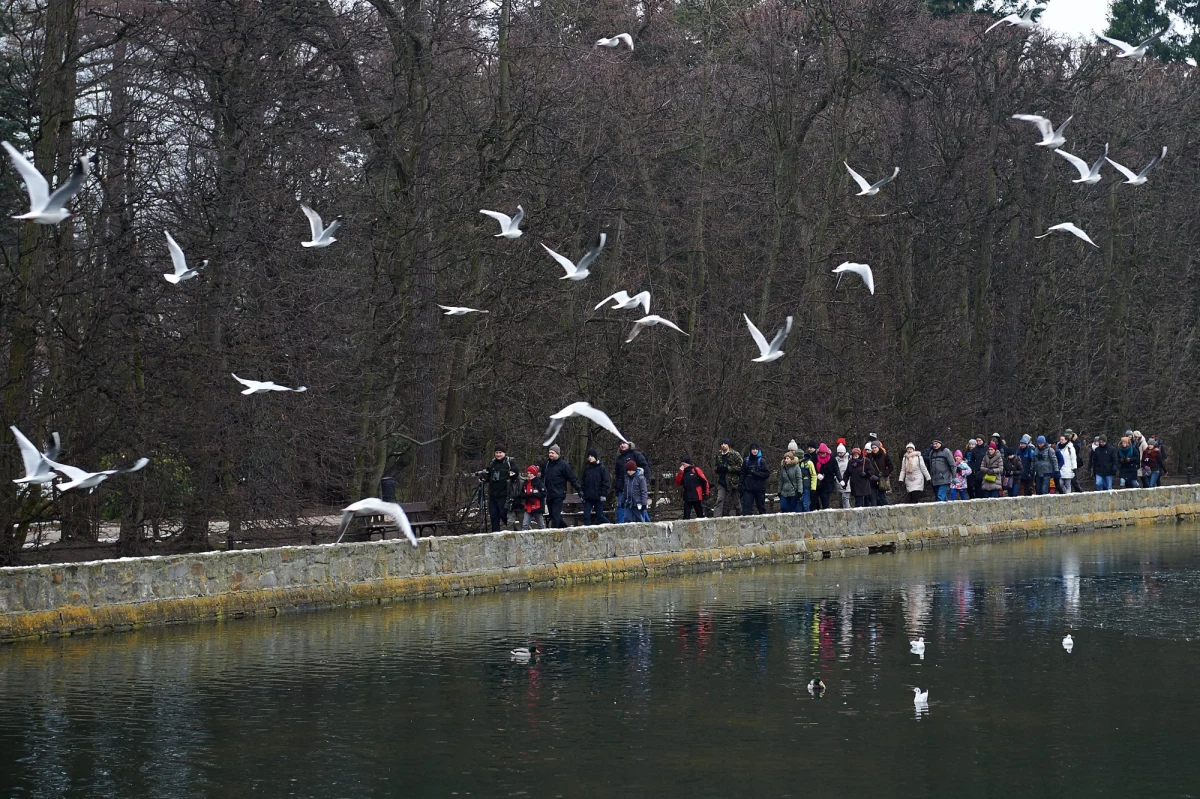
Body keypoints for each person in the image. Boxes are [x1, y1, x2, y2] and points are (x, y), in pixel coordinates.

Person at [543, 444, 581, 528]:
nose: (550, 454)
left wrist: (579, 490)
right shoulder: (547, 464)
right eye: (549, 452)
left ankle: (553, 534)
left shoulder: (563, 465)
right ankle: (566, 529)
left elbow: (572, 478)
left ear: (557, 454)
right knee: (553, 515)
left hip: (558, 494)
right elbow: (543, 476)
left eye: (552, 453)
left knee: (556, 516)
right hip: (549, 494)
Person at [483, 445, 518, 532]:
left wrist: (513, 475)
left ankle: (514, 533)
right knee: (494, 516)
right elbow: (488, 475)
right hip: (493, 495)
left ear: (504, 453)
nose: (498, 454)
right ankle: (495, 535)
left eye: (500, 453)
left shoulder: (509, 462)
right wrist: (483, 478)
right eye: (496, 453)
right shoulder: (492, 462)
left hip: (504, 495)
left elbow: (516, 475)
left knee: (504, 516)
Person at [614, 442, 649, 523]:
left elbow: (645, 467)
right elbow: (617, 474)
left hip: (636, 488)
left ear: (629, 444)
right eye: (620, 443)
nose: (622, 445)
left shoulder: (636, 455)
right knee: (622, 508)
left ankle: (647, 525)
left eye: (624, 443)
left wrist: (644, 481)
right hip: (623, 488)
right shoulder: (618, 458)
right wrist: (617, 487)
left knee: (640, 510)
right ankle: (621, 527)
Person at [712, 440, 742, 518]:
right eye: (721, 444)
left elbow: (741, 467)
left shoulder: (735, 454)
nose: (723, 445)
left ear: (728, 445)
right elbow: (715, 466)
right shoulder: (719, 454)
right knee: (719, 500)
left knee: (736, 501)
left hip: (733, 481)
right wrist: (718, 469)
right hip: (722, 481)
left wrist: (728, 468)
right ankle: (716, 518)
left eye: (725, 444)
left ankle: (740, 516)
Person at [580, 449, 611, 525]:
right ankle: (587, 531)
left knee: (600, 515)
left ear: (595, 457)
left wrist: (603, 494)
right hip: (588, 497)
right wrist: (582, 494)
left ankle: (610, 527)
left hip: (598, 497)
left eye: (592, 456)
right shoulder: (586, 469)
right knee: (586, 516)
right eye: (589, 456)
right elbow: (583, 482)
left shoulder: (601, 468)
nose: (590, 458)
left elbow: (606, 482)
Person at [741, 444, 770, 515]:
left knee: (761, 508)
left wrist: (757, 474)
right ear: (750, 450)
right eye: (753, 449)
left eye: (756, 449)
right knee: (746, 509)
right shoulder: (746, 461)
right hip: (748, 489)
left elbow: (767, 474)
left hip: (759, 489)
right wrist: (740, 485)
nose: (755, 451)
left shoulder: (762, 461)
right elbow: (742, 473)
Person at [516, 465, 546, 529]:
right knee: (525, 525)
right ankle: (524, 537)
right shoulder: (525, 483)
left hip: (537, 507)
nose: (529, 475)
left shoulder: (539, 483)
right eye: (528, 473)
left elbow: (543, 494)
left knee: (541, 525)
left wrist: (534, 494)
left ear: (534, 474)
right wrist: (526, 495)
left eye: (531, 473)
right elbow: (521, 494)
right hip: (528, 506)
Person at [868, 441, 894, 507]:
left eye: (875, 447)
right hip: (873, 480)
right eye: (872, 448)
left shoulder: (884, 455)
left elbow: (891, 466)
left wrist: (885, 474)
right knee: (873, 499)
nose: (874, 449)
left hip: (882, 480)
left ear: (878, 447)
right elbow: (867, 468)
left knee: (883, 498)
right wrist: (871, 475)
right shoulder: (869, 457)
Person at [813, 443, 837, 510]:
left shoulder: (832, 459)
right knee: (815, 500)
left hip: (828, 483)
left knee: (825, 500)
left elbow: (836, 470)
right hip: (817, 483)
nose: (822, 455)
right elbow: (812, 469)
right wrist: (817, 474)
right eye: (821, 453)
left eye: (823, 453)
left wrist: (840, 479)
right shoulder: (815, 458)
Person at [834, 443, 853, 509]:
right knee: (842, 501)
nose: (840, 454)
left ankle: (848, 512)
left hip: (847, 482)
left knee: (845, 498)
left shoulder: (849, 459)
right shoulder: (836, 460)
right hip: (839, 482)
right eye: (838, 453)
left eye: (841, 453)